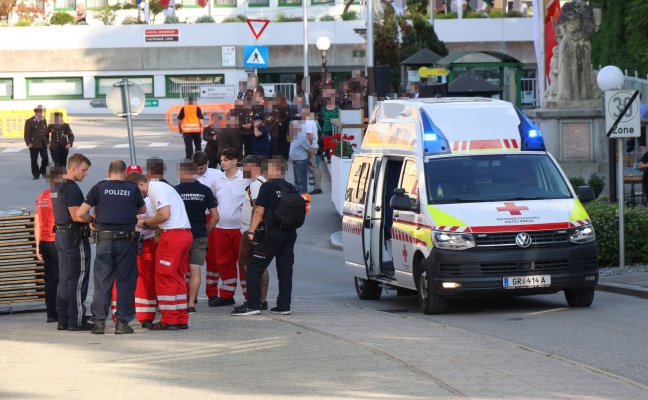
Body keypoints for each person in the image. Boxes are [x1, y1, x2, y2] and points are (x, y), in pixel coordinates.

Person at [77, 160, 146, 335]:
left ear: (109, 172)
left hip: (104, 241)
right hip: (126, 242)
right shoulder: (132, 189)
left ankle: (99, 322)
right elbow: (142, 209)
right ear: (124, 173)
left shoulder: (98, 188)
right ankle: (122, 323)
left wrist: (93, 221)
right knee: (125, 282)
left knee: (102, 282)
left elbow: (80, 213)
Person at [232, 156, 298, 316]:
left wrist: (252, 232)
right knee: (285, 270)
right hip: (289, 234)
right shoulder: (290, 187)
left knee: (254, 267)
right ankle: (284, 306)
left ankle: (253, 304)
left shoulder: (267, 187)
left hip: (271, 234)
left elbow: (259, 211)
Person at [126, 172, 193, 331]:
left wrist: (146, 223)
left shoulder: (156, 189)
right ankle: (180, 318)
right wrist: (143, 221)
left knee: (164, 276)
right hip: (183, 233)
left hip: (172, 236)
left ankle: (169, 319)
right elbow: (164, 218)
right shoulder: (164, 187)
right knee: (177, 277)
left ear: (140, 185)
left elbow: (164, 215)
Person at [51, 153, 93, 331]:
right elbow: (77, 216)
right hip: (73, 237)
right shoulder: (72, 188)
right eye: (84, 170)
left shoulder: (57, 185)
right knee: (78, 277)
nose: (86, 174)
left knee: (64, 279)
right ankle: (76, 319)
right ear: (73, 167)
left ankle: (63, 319)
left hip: (60, 235)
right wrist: (93, 219)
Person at [174, 160, 219, 314]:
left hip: (180, 234)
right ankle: (191, 304)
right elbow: (215, 217)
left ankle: (180, 301)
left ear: (181, 173)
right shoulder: (205, 190)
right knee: (195, 270)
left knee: (178, 270)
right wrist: (205, 231)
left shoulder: (176, 190)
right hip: (199, 234)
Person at [208, 148, 249, 307]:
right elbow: (211, 200)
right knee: (223, 262)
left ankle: (249, 295)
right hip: (221, 228)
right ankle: (226, 294)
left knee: (243, 262)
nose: (222, 162)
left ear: (234, 161)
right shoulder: (217, 180)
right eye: (221, 159)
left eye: (226, 159)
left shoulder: (246, 178)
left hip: (240, 229)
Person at [126, 164, 159, 327]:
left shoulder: (149, 198)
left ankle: (146, 316)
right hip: (127, 242)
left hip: (145, 243)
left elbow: (156, 222)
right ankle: (122, 314)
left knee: (146, 280)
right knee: (123, 278)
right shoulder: (124, 195)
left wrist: (138, 222)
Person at [35, 165, 65, 323]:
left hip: (45, 242)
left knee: (50, 279)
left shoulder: (41, 197)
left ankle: (51, 313)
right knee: (62, 277)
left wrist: (37, 245)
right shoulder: (57, 196)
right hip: (56, 241)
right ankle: (61, 311)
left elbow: (37, 222)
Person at [239, 155, 269, 309]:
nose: (242, 170)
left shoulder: (257, 184)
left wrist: (252, 231)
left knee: (249, 264)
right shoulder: (263, 183)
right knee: (257, 265)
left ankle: (256, 299)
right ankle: (259, 299)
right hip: (255, 231)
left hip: (252, 232)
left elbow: (258, 209)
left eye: (244, 166)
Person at [24, 105, 49, 180]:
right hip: (34, 143)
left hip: (43, 143)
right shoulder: (30, 121)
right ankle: (36, 174)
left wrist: (47, 142)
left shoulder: (44, 120)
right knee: (34, 160)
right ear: (37, 113)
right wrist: (28, 142)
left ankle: (43, 171)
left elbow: (46, 132)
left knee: (45, 157)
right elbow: (26, 133)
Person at [288, 120, 311, 195]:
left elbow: (309, 150)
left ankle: (303, 199)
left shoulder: (302, 136)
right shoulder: (293, 135)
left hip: (301, 161)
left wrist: (308, 159)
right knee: (297, 182)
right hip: (295, 161)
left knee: (301, 183)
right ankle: (299, 199)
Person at [319, 88, 341, 163]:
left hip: (335, 128)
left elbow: (340, 116)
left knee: (335, 142)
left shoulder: (338, 107)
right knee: (327, 143)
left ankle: (335, 156)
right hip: (326, 128)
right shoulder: (324, 108)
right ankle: (328, 157)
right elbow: (323, 117)